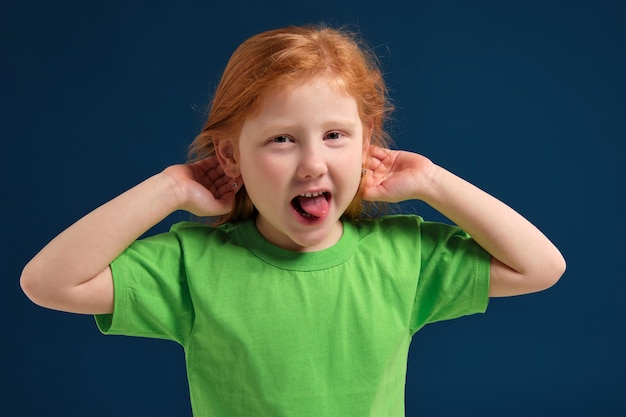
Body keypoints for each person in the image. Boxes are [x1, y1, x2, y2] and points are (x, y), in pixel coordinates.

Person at [20, 25, 566, 416]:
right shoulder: (194, 264)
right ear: (230, 156)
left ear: (366, 144)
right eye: (281, 139)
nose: (312, 163)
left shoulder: (404, 256)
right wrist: (169, 188)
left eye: (335, 135)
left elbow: (540, 267)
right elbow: (48, 283)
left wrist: (430, 181)